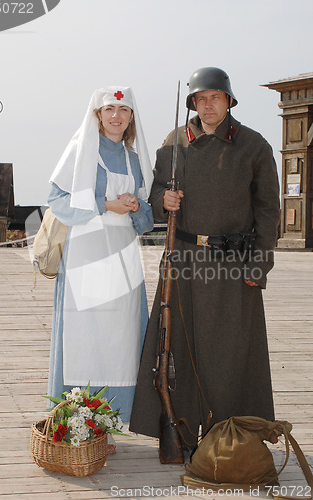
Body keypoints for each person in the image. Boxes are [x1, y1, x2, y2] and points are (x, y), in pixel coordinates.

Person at [129, 67, 280, 447]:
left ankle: (231, 438)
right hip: (182, 261)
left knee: (229, 354)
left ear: (229, 100)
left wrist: (259, 264)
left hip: (233, 264)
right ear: (192, 103)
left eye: (215, 97)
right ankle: (178, 433)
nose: (208, 104)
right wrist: (162, 201)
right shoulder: (173, 143)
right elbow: (156, 195)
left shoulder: (254, 145)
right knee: (175, 347)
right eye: (201, 98)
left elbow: (267, 212)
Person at [46, 87, 154, 452]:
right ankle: (78, 423)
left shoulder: (135, 159)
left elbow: (147, 219)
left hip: (123, 256)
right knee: (86, 337)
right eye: (110, 109)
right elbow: (57, 198)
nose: (116, 116)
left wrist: (137, 205)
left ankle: (107, 425)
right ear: (97, 114)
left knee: (119, 340)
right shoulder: (80, 151)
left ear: (131, 117)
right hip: (87, 254)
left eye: (123, 110)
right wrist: (105, 204)